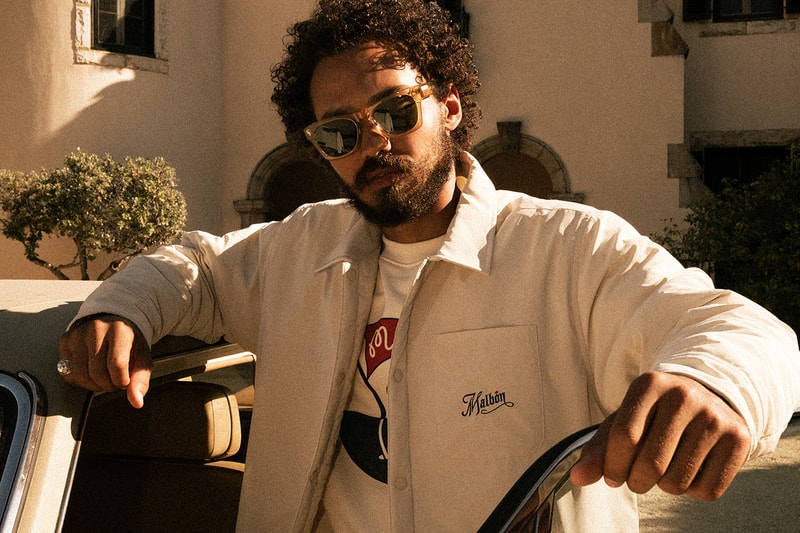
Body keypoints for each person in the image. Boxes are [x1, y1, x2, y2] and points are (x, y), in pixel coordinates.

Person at [58, 0, 800, 531]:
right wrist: (121, 308)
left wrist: (714, 382)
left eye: (395, 111)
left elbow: (743, 330)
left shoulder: (568, 248)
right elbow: (195, 265)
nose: (373, 143)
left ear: (449, 105)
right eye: (339, 133)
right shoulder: (295, 251)